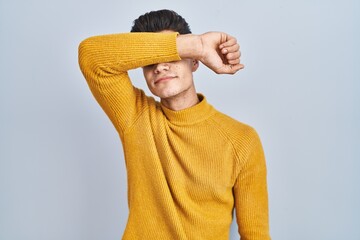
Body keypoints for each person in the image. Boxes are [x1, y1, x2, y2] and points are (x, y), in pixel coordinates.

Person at [78, 9, 271, 240]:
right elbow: (91, 56)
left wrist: (191, 48)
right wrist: (197, 44)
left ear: (195, 62)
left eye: (171, 55)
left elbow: (255, 235)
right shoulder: (137, 117)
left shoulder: (241, 140)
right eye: (150, 61)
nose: (159, 67)